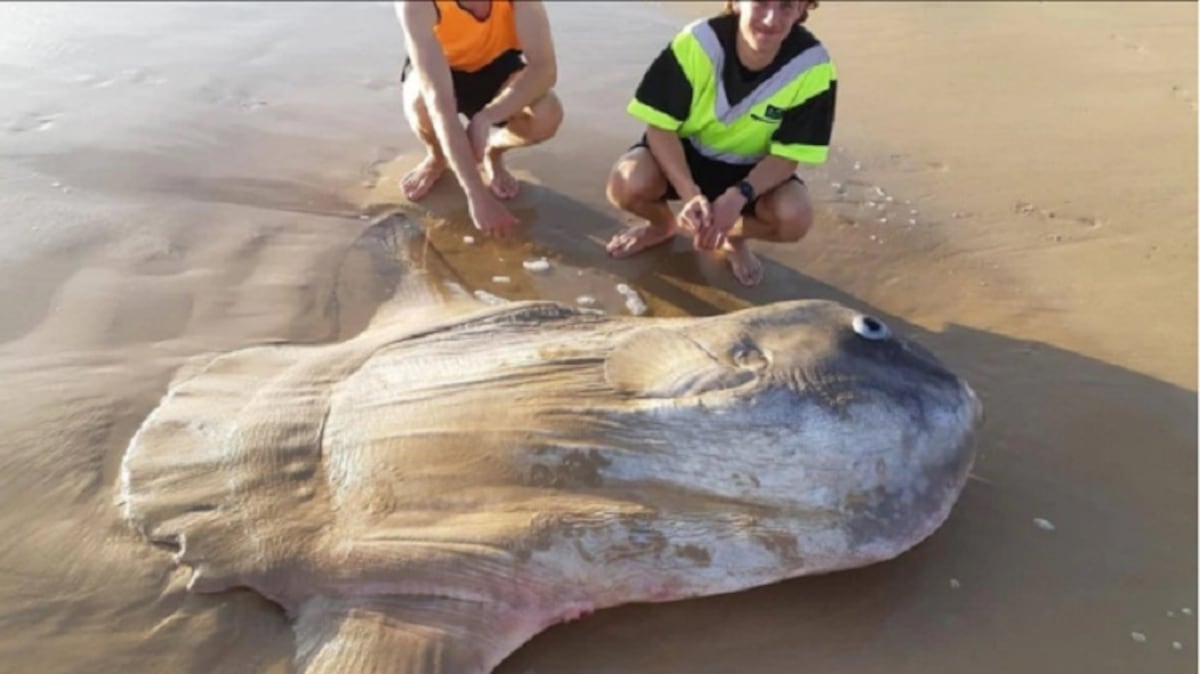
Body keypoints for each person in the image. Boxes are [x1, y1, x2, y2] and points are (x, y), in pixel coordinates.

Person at [604, 0, 836, 286]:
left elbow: (787, 157)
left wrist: (740, 196)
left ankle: (732, 236)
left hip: (751, 170)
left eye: (786, 5)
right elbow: (660, 127)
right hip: (684, 155)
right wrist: (690, 194)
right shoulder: (698, 42)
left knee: (794, 218)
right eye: (761, 3)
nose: (770, 18)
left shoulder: (813, 66)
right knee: (625, 183)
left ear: (802, 9)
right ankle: (662, 225)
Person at [396, 1, 563, 238]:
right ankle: (436, 157)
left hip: (497, 64)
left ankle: (493, 153)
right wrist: (477, 194)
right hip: (442, 68)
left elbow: (544, 70)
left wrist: (485, 119)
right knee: (421, 101)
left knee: (547, 114)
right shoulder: (417, 5)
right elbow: (440, 104)